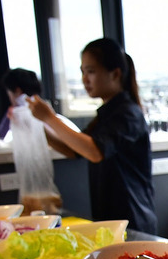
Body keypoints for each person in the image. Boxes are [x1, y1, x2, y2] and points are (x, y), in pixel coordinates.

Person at [24, 38, 156, 235]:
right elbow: (74, 150)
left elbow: (94, 151)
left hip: (132, 217)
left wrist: (50, 118)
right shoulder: (107, 113)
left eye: (91, 71)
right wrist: (39, 128)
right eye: (83, 72)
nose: (85, 79)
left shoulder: (127, 113)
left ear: (115, 74)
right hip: (113, 216)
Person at [0, 68, 42, 140]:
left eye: (9, 92)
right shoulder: (45, 109)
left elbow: (2, 136)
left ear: (17, 91)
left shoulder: (14, 112)